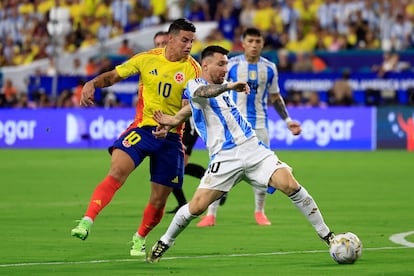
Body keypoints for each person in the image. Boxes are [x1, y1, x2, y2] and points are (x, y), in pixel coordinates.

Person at [147, 45, 334, 262]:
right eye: (221, 64)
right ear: (205, 65)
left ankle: (328, 236)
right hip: (225, 157)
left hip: (253, 149)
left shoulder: (220, 88)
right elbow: (200, 95)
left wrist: (173, 120)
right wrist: (228, 86)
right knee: (196, 207)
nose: (226, 68)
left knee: (291, 185)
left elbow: (193, 108)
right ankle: (165, 241)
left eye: (227, 63)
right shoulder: (196, 84)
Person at [70, 18, 201, 257]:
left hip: (171, 138)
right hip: (142, 129)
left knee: (160, 200)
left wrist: (172, 123)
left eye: (192, 41)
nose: (189, 45)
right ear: (170, 39)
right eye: (185, 40)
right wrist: (92, 83)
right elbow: (112, 77)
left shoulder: (192, 69)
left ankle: (139, 237)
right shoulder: (146, 58)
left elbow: (187, 107)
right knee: (117, 172)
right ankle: (87, 221)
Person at [196, 27, 292, 227]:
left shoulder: (270, 68)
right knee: (219, 167)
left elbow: (275, 96)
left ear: (263, 44)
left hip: (259, 126)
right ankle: (210, 215)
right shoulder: (230, 65)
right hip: (232, 126)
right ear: (243, 43)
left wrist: (287, 120)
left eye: (258, 41)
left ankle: (260, 212)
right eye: (251, 41)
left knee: (264, 169)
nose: (254, 45)